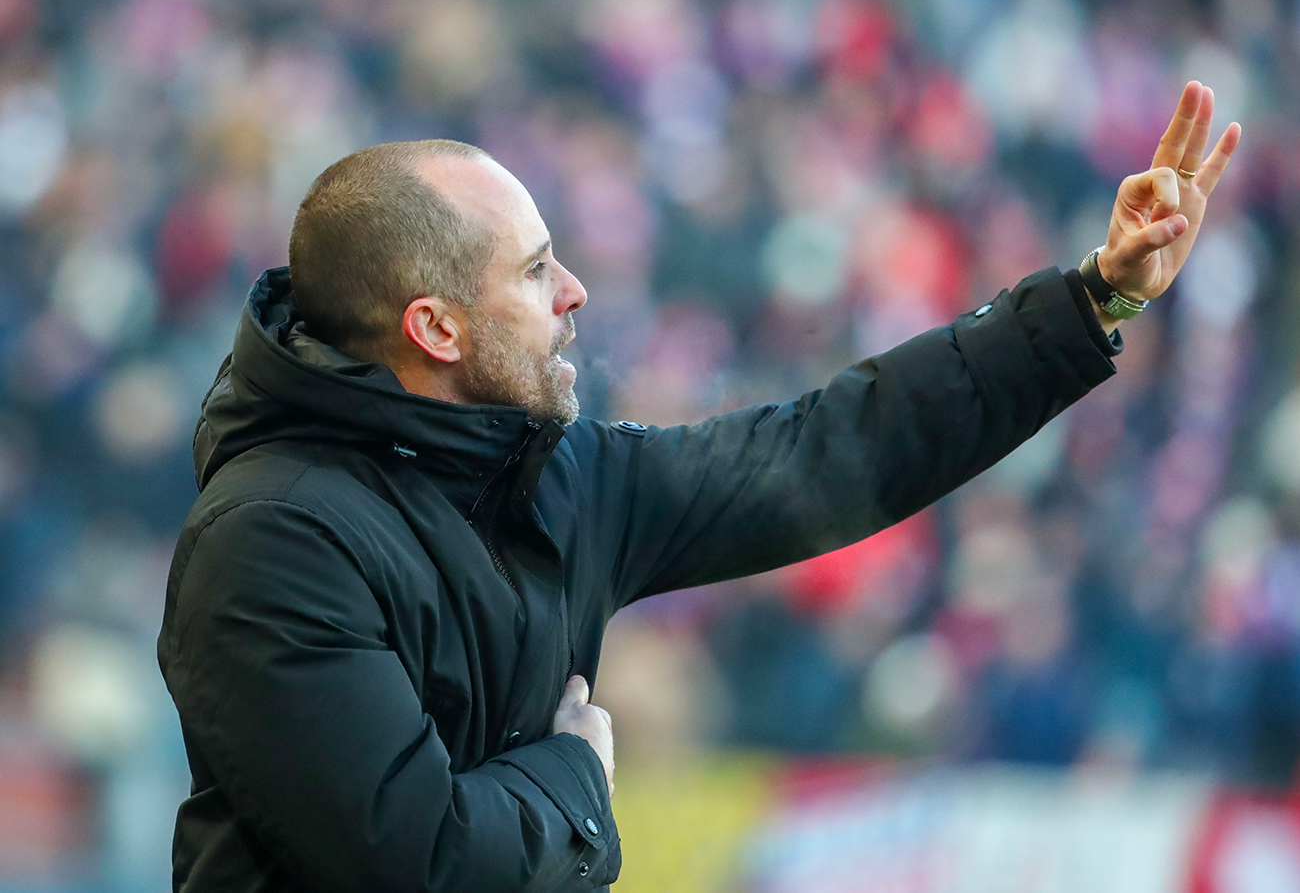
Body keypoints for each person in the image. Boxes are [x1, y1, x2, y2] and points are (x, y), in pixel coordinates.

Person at [158, 81, 1239, 892]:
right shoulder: (271, 539)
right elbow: (410, 859)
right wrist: (574, 778)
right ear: (434, 327)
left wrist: (1090, 300)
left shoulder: (561, 479)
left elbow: (829, 451)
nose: (574, 291)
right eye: (535, 273)